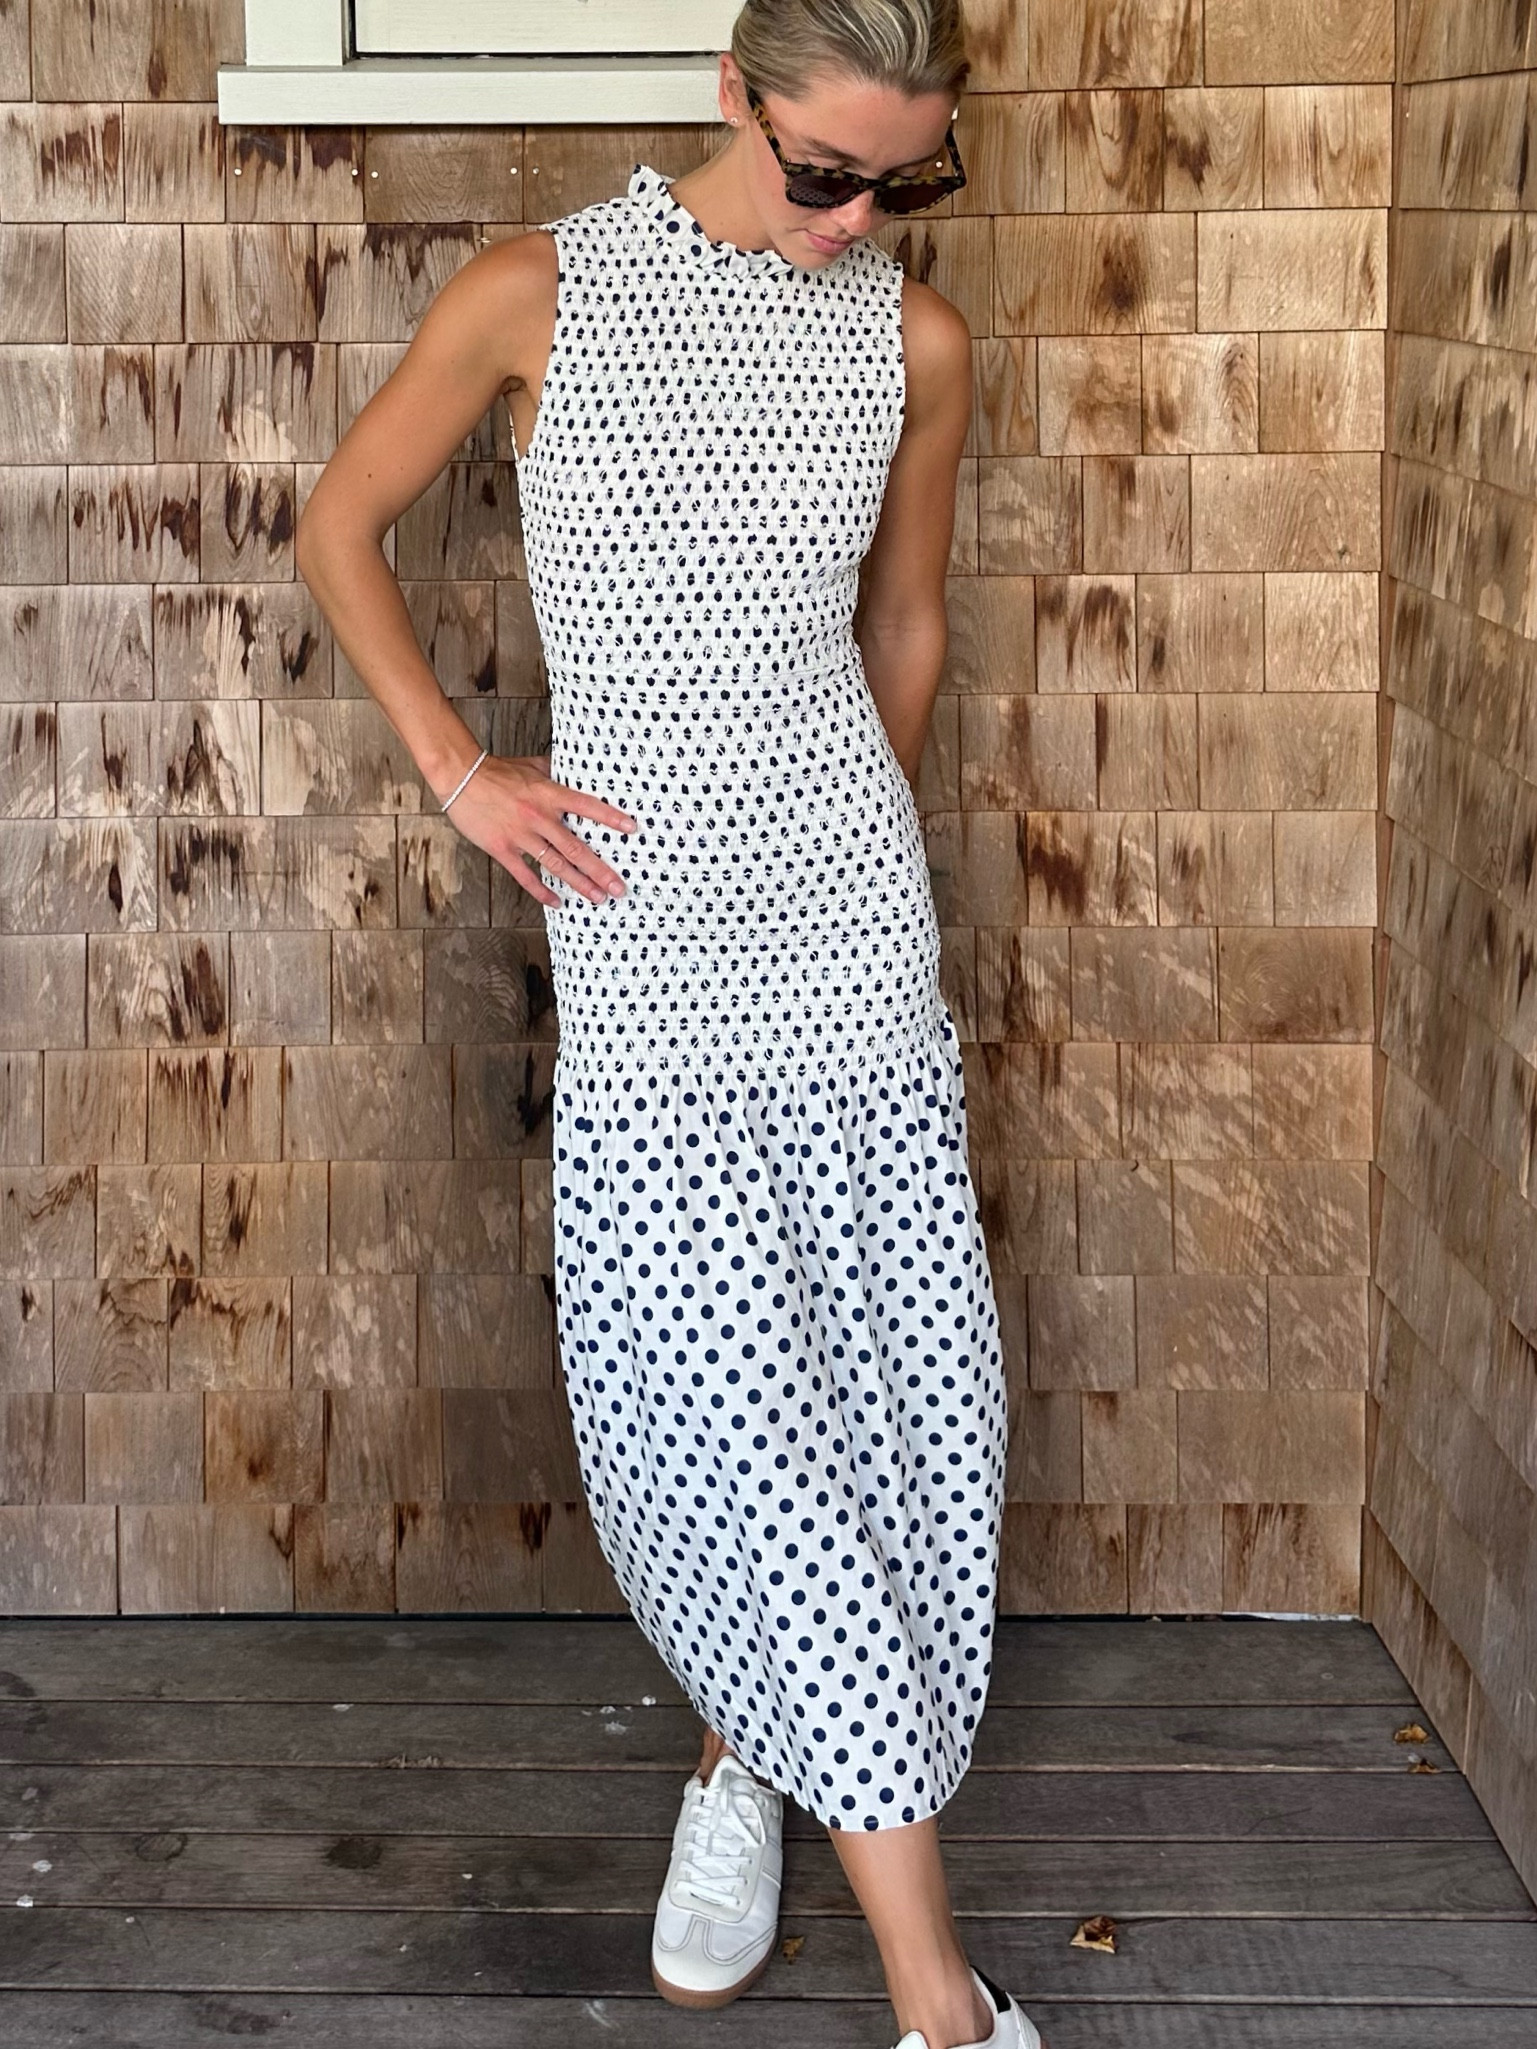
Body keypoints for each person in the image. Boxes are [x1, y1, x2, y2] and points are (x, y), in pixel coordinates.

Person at [296, 4, 1036, 2044]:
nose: (853, 219)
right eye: (824, 172)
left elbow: (903, 622)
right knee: (734, 1415)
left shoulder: (913, 340)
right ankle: (937, 1997)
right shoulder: (536, 294)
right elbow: (338, 527)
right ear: (733, 94)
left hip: (847, 927)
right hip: (648, 941)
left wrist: (827, 835)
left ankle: (745, 1757)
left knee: (885, 1389)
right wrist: (464, 773)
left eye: (902, 180)